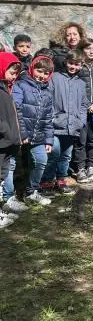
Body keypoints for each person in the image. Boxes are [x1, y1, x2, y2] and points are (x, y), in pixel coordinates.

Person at [11, 55, 54, 208]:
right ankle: (10, 196)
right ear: (31, 69)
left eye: (45, 73)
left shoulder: (48, 93)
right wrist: (23, 134)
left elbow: (48, 118)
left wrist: (49, 140)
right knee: (13, 166)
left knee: (41, 160)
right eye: (39, 71)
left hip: (39, 137)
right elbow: (16, 109)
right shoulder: (20, 85)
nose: (41, 75)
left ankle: (32, 191)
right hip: (20, 135)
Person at [43, 49, 88, 194]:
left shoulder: (81, 83)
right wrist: (51, 118)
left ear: (81, 65)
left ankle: (61, 180)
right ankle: (47, 182)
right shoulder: (55, 77)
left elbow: (83, 104)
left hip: (72, 127)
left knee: (66, 156)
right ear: (65, 62)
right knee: (53, 154)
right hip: (55, 126)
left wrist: (81, 121)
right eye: (71, 63)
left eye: (77, 64)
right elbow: (47, 99)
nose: (73, 67)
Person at [73, 38, 93, 183]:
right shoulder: (78, 67)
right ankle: (80, 169)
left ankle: (91, 167)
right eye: (88, 48)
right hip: (81, 110)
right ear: (81, 49)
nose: (91, 51)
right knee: (81, 140)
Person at [0, 52, 22, 228]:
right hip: (2, 141)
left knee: (1, 177)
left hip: (8, 143)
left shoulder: (5, 88)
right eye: (12, 72)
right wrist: (6, 131)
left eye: (16, 73)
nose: (14, 76)